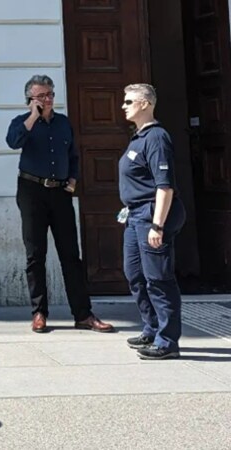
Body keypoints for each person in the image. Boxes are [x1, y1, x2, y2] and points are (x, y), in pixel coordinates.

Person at [6, 75, 114, 333]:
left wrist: (73, 179)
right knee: (35, 255)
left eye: (50, 94)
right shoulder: (21, 123)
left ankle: (83, 314)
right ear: (30, 99)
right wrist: (33, 117)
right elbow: (13, 143)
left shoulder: (63, 123)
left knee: (71, 255)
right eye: (41, 95)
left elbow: (73, 155)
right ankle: (39, 312)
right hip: (32, 191)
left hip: (60, 192)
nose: (48, 99)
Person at [119, 83, 186, 360]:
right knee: (134, 275)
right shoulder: (138, 137)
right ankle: (152, 328)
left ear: (145, 104)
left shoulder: (156, 137)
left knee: (158, 278)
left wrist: (157, 225)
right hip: (134, 215)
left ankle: (167, 341)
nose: (123, 105)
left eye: (129, 101)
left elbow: (164, 186)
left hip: (150, 214)